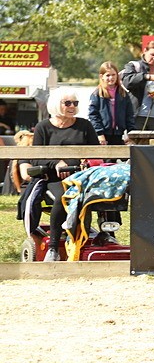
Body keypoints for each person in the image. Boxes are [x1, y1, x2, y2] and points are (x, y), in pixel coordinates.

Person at [21, 87, 101, 262]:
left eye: (75, 103)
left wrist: (88, 162)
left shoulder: (85, 125)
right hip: (54, 178)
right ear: (57, 105)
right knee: (64, 197)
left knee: (106, 195)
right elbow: (36, 158)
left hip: (82, 176)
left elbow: (96, 153)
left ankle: (106, 234)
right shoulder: (43, 127)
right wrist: (56, 163)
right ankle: (53, 248)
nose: (72, 106)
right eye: (68, 103)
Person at [87, 61, 137, 146]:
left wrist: (131, 133)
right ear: (101, 76)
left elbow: (129, 115)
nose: (111, 78)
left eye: (113, 75)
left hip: (119, 133)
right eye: (108, 75)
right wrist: (99, 133)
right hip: (103, 134)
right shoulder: (97, 94)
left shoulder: (123, 94)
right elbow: (93, 115)